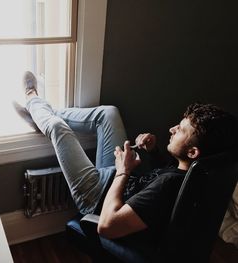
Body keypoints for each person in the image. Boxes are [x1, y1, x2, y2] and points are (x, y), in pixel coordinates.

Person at [16, 71, 238, 255]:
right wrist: (154, 152)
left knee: (57, 128)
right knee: (109, 114)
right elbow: (165, 181)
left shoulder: (169, 185)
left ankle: (32, 98)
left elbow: (107, 226)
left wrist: (123, 172)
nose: (172, 129)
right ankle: (41, 114)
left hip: (96, 195)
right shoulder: (197, 173)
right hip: (118, 179)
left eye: (180, 130)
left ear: (192, 151)